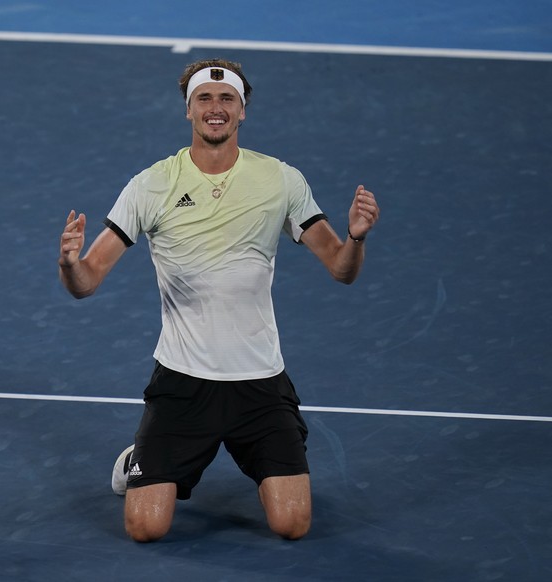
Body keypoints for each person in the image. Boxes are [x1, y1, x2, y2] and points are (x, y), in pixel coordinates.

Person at [57, 58, 379, 543]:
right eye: (203, 99)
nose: (215, 108)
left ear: (242, 111)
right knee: (145, 528)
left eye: (226, 99)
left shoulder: (281, 180)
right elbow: (87, 282)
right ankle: (137, 458)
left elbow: (340, 267)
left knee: (292, 524)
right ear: (188, 111)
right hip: (183, 383)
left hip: (260, 384)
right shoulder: (151, 185)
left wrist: (355, 238)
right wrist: (69, 264)